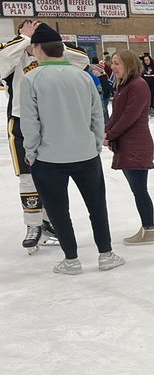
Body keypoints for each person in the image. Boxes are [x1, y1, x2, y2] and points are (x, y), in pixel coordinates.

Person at [20, 31, 123, 274]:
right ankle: (106, 254)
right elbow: (97, 114)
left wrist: (31, 152)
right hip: (85, 154)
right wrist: (95, 144)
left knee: (58, 210)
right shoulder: (82, 77)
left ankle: (71, 260)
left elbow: (30, 122)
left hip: (49, 158)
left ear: (38, 49)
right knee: (97, 205)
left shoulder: (31, 78)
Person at [1, 20, 90, 253]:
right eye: (31, 29)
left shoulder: (55, 53)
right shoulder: (15, 54)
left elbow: (83, 60)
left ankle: (49, 221)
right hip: (21, 122)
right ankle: (32, 225)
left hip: (52, 122)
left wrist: (49, 43)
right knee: (27, 176)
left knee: (50, 176)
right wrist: (24, 40)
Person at [104, 50, 154, 246]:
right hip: (127, 144)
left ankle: (149, 230)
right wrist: (106, 130)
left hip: (136, 145)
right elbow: (117, 114)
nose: (113, 67)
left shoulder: (138, 86)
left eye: (117, 63)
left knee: (140, 190)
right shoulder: (124, 86)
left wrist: (110, 135)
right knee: (138, 190)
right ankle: (147, 227)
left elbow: (129, 116)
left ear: (129, 64)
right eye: (113, 63)